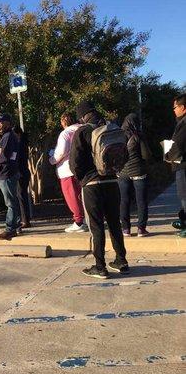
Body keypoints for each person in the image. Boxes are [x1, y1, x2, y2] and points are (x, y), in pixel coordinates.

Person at [70, 101, 128, 279]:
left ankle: (100, 266)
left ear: (81, 116)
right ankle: (121, 260)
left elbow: (75, 163)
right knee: (114, 223)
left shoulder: (82, 131)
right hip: (112, 181)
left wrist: (82, 179)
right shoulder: (110, 127)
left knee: (96, 226)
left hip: (92, 185)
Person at [49, 112, 87, 233]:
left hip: (67, 170)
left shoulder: (66, 133)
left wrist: (51, 159)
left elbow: (61, 152)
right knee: (83, 196)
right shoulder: (83, 129)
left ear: (64, 121)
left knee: (72, 197)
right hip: (84, 168)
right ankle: (86, 219)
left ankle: (79, 221)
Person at [118, 113, 152, 237]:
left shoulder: (119, 136)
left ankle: (125, 229)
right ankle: (141, 229)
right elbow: (146, 155)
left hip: (122, 173)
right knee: (141, 201)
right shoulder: (138, 136)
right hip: (138, 171)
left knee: (124, 201)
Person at [165, 93, 186, 238]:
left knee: (184, 195)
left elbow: (177, 145)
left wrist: (167, 154)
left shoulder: (183, 124)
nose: (174, 110)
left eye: (175, 107)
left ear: (183, 107)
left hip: (183, 166)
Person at [13, 125, 32, 228]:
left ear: (18, 134)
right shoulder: (21, 143)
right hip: (23, 172)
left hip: (21, 173)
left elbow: (18, 159)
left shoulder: (20, 144)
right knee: (21, 196)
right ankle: (24, 219)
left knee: (21, 196)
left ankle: (25, 220)